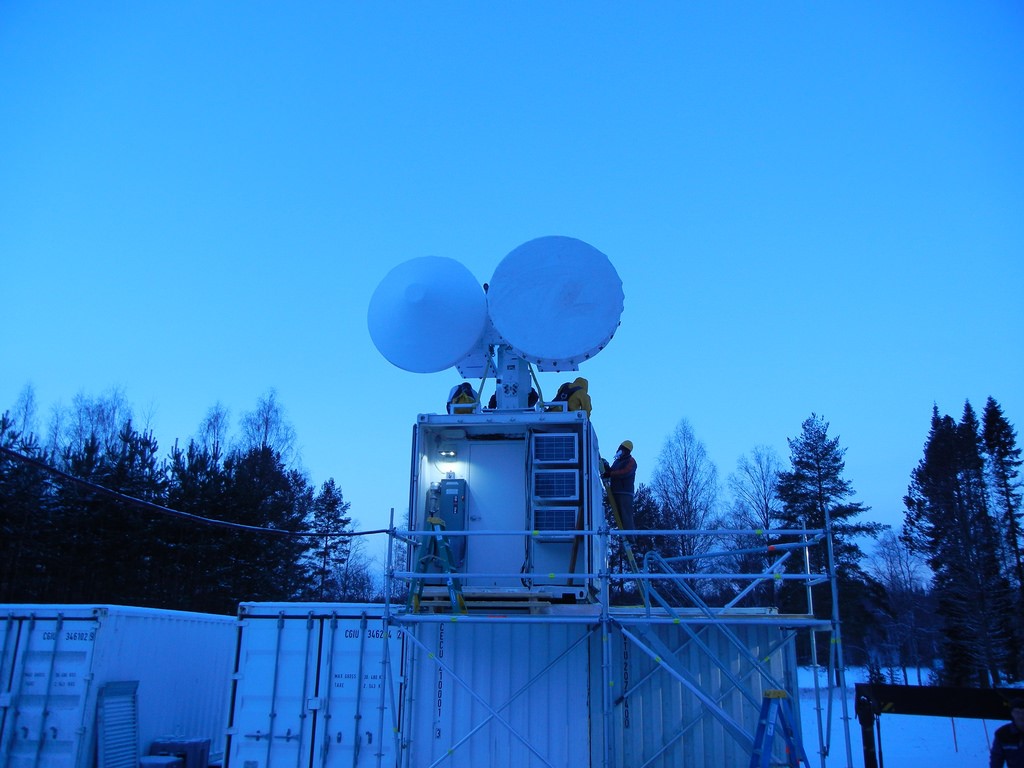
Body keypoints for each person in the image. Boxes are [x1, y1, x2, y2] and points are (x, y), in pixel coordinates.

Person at [602, 440, 637, 531]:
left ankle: (631, 540)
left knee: (626, 517)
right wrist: (606, 467)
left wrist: (610, 474)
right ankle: (624, 538)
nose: (620, 450)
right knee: (618, 518)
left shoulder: (631, 461)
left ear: (627, 451)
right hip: (615, 491)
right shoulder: (617, 462)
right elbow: (611, 472)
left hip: (625, 493)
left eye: (623, 449)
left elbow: (625, 472)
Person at [991, 698, 1024, 768]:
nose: (1021, 716)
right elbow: (996, 759)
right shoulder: (1002, 734)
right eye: (1017, 712)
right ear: (1012, 713)